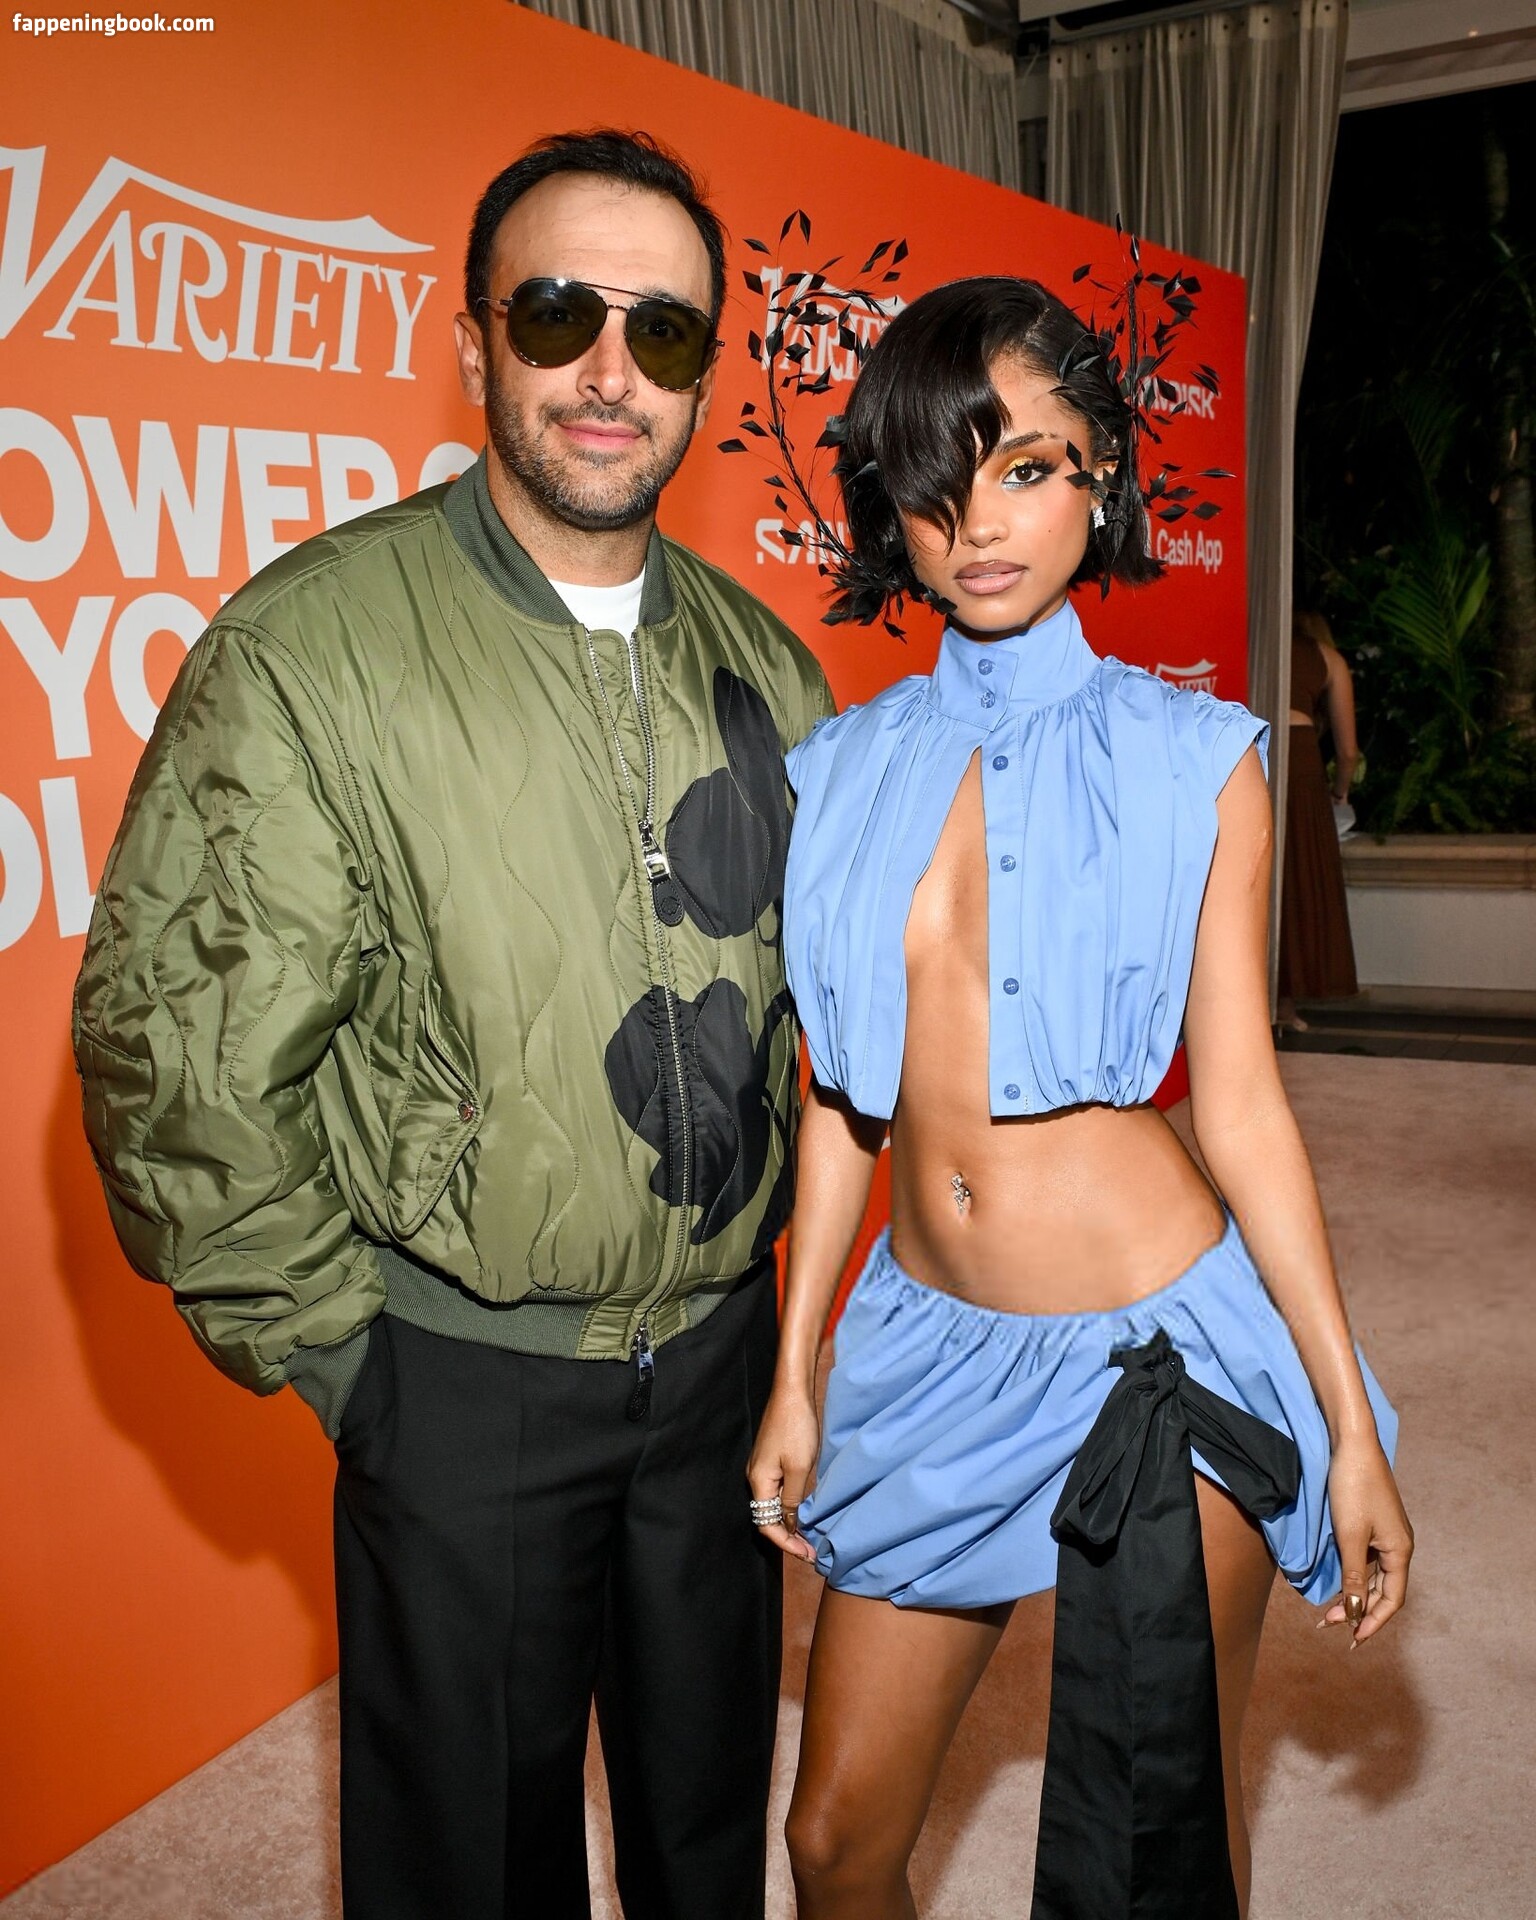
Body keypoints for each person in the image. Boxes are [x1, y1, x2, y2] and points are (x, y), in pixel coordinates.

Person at [72, 130, 832, 1920]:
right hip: (461, 1380)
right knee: (468, 1874)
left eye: (661, 333)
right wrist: (359, 1367)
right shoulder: (316, 646)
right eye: (559, 313)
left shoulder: (770, 666)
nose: (607, 371)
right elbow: (178, 1049)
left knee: (707, 1839)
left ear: (704, 378)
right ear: (474, 336)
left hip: (719, 1371)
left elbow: (835, 1024)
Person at [747, 276, 1412, 1919]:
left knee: (1157, 1843)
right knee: (832, 1842)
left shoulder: (1198, 761)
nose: (979, 521)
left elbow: (1242, 1110)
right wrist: (795, 1367)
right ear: (890, 508)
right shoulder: (840, 769)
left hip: (1155, 1353)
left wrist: (1348, 1425)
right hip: (924, 1352)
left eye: (1028, 467)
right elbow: (842, 1099)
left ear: (1101, 478)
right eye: (937, 479)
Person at [1279, 607, 1361, 1019]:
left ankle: (1266, 997)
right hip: (1303, 762)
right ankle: (1289, 1000)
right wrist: (1340, 793)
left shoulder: (1259, 645)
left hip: (1251, 751)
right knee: (1302, 875)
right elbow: (1348, 751)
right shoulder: (1329, 659)